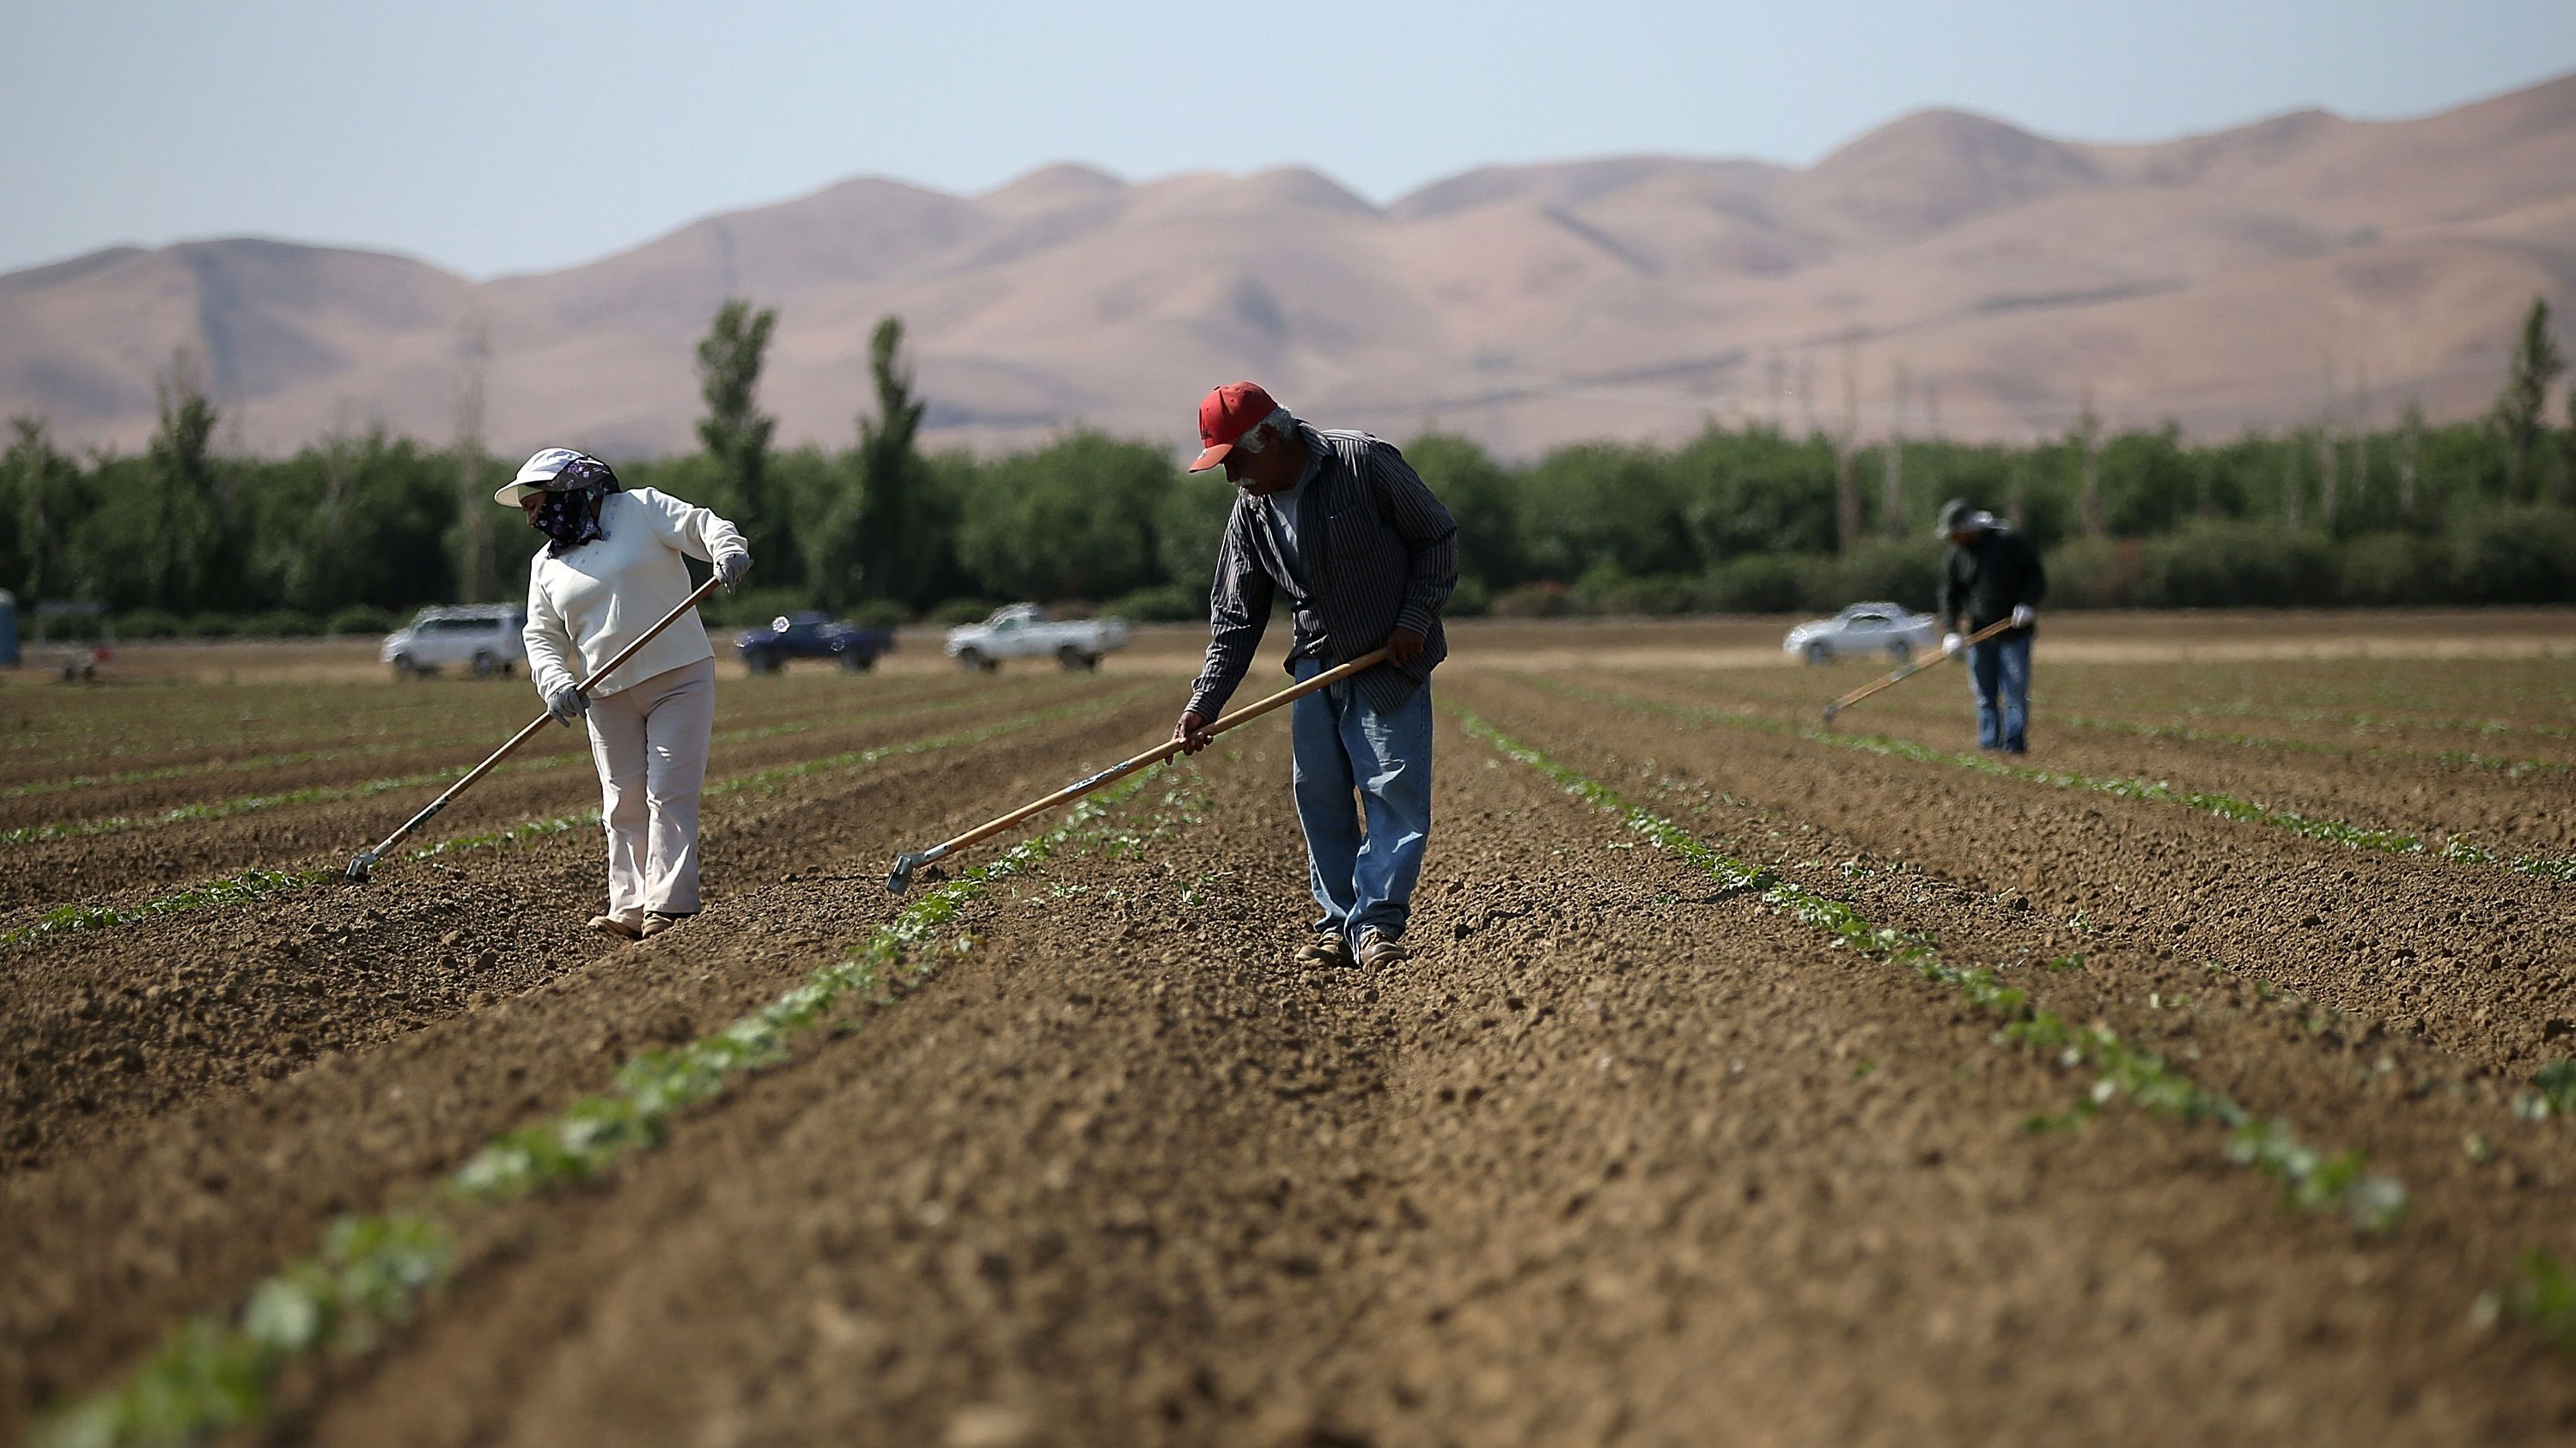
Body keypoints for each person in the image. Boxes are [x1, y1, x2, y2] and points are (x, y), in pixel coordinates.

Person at [1172, 382, 1459, 969]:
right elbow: (1236, 615)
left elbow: (1437, 538)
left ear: (1271, 437)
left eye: (1235, 461)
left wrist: (1413, 619)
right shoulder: (1250, 510)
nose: (1232, 479)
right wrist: (1205, 703)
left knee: (1392, 793)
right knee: (1320, 798)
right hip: (1314, 667)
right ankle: (1336, 925)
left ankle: (1376, 926)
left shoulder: (1362, 463)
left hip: (1389, 661)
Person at [502, 448, 751, 939]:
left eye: (536, 501)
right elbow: (542, 636)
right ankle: (629, 908)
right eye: (528, 508)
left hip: (678, 677)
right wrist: (554, 683)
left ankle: (671, 905)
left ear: (572, 489)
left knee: (669, 793)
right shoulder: (545, 566)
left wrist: (726, 549)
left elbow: (702, 526)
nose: (532, 515)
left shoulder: (642, 508)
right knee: (621, 803)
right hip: (605, 694)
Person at [1934, 496, 2045, 754]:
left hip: (2014, 633)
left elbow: (2036, 576)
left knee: (2014, 693)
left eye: (1956, 534)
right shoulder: (1956, 556)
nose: (1954, 539)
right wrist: (1951, 631)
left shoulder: (2009, 543)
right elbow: (1948, 594)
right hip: (1979, 636)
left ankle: (2014, 745)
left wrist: (2027, 604)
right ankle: (1989, 743)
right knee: (1984, 695)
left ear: (1969, 528)